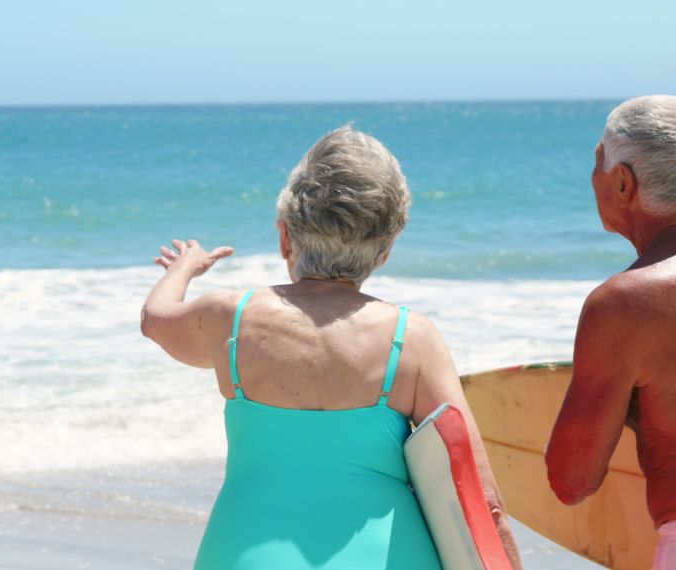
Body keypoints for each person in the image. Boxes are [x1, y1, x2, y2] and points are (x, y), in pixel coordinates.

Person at [141, 126, 521, 569]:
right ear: (384, 250)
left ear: (285, 236)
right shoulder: (412, 339)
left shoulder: (231, 319)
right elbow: (483, 502)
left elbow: (155, 319)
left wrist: (185, 268)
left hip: (244, 554)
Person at [546, 95, 676, 568]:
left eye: (597, 161)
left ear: (623, 183)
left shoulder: (626, 305)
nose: (593, 176)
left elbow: (571, 480)